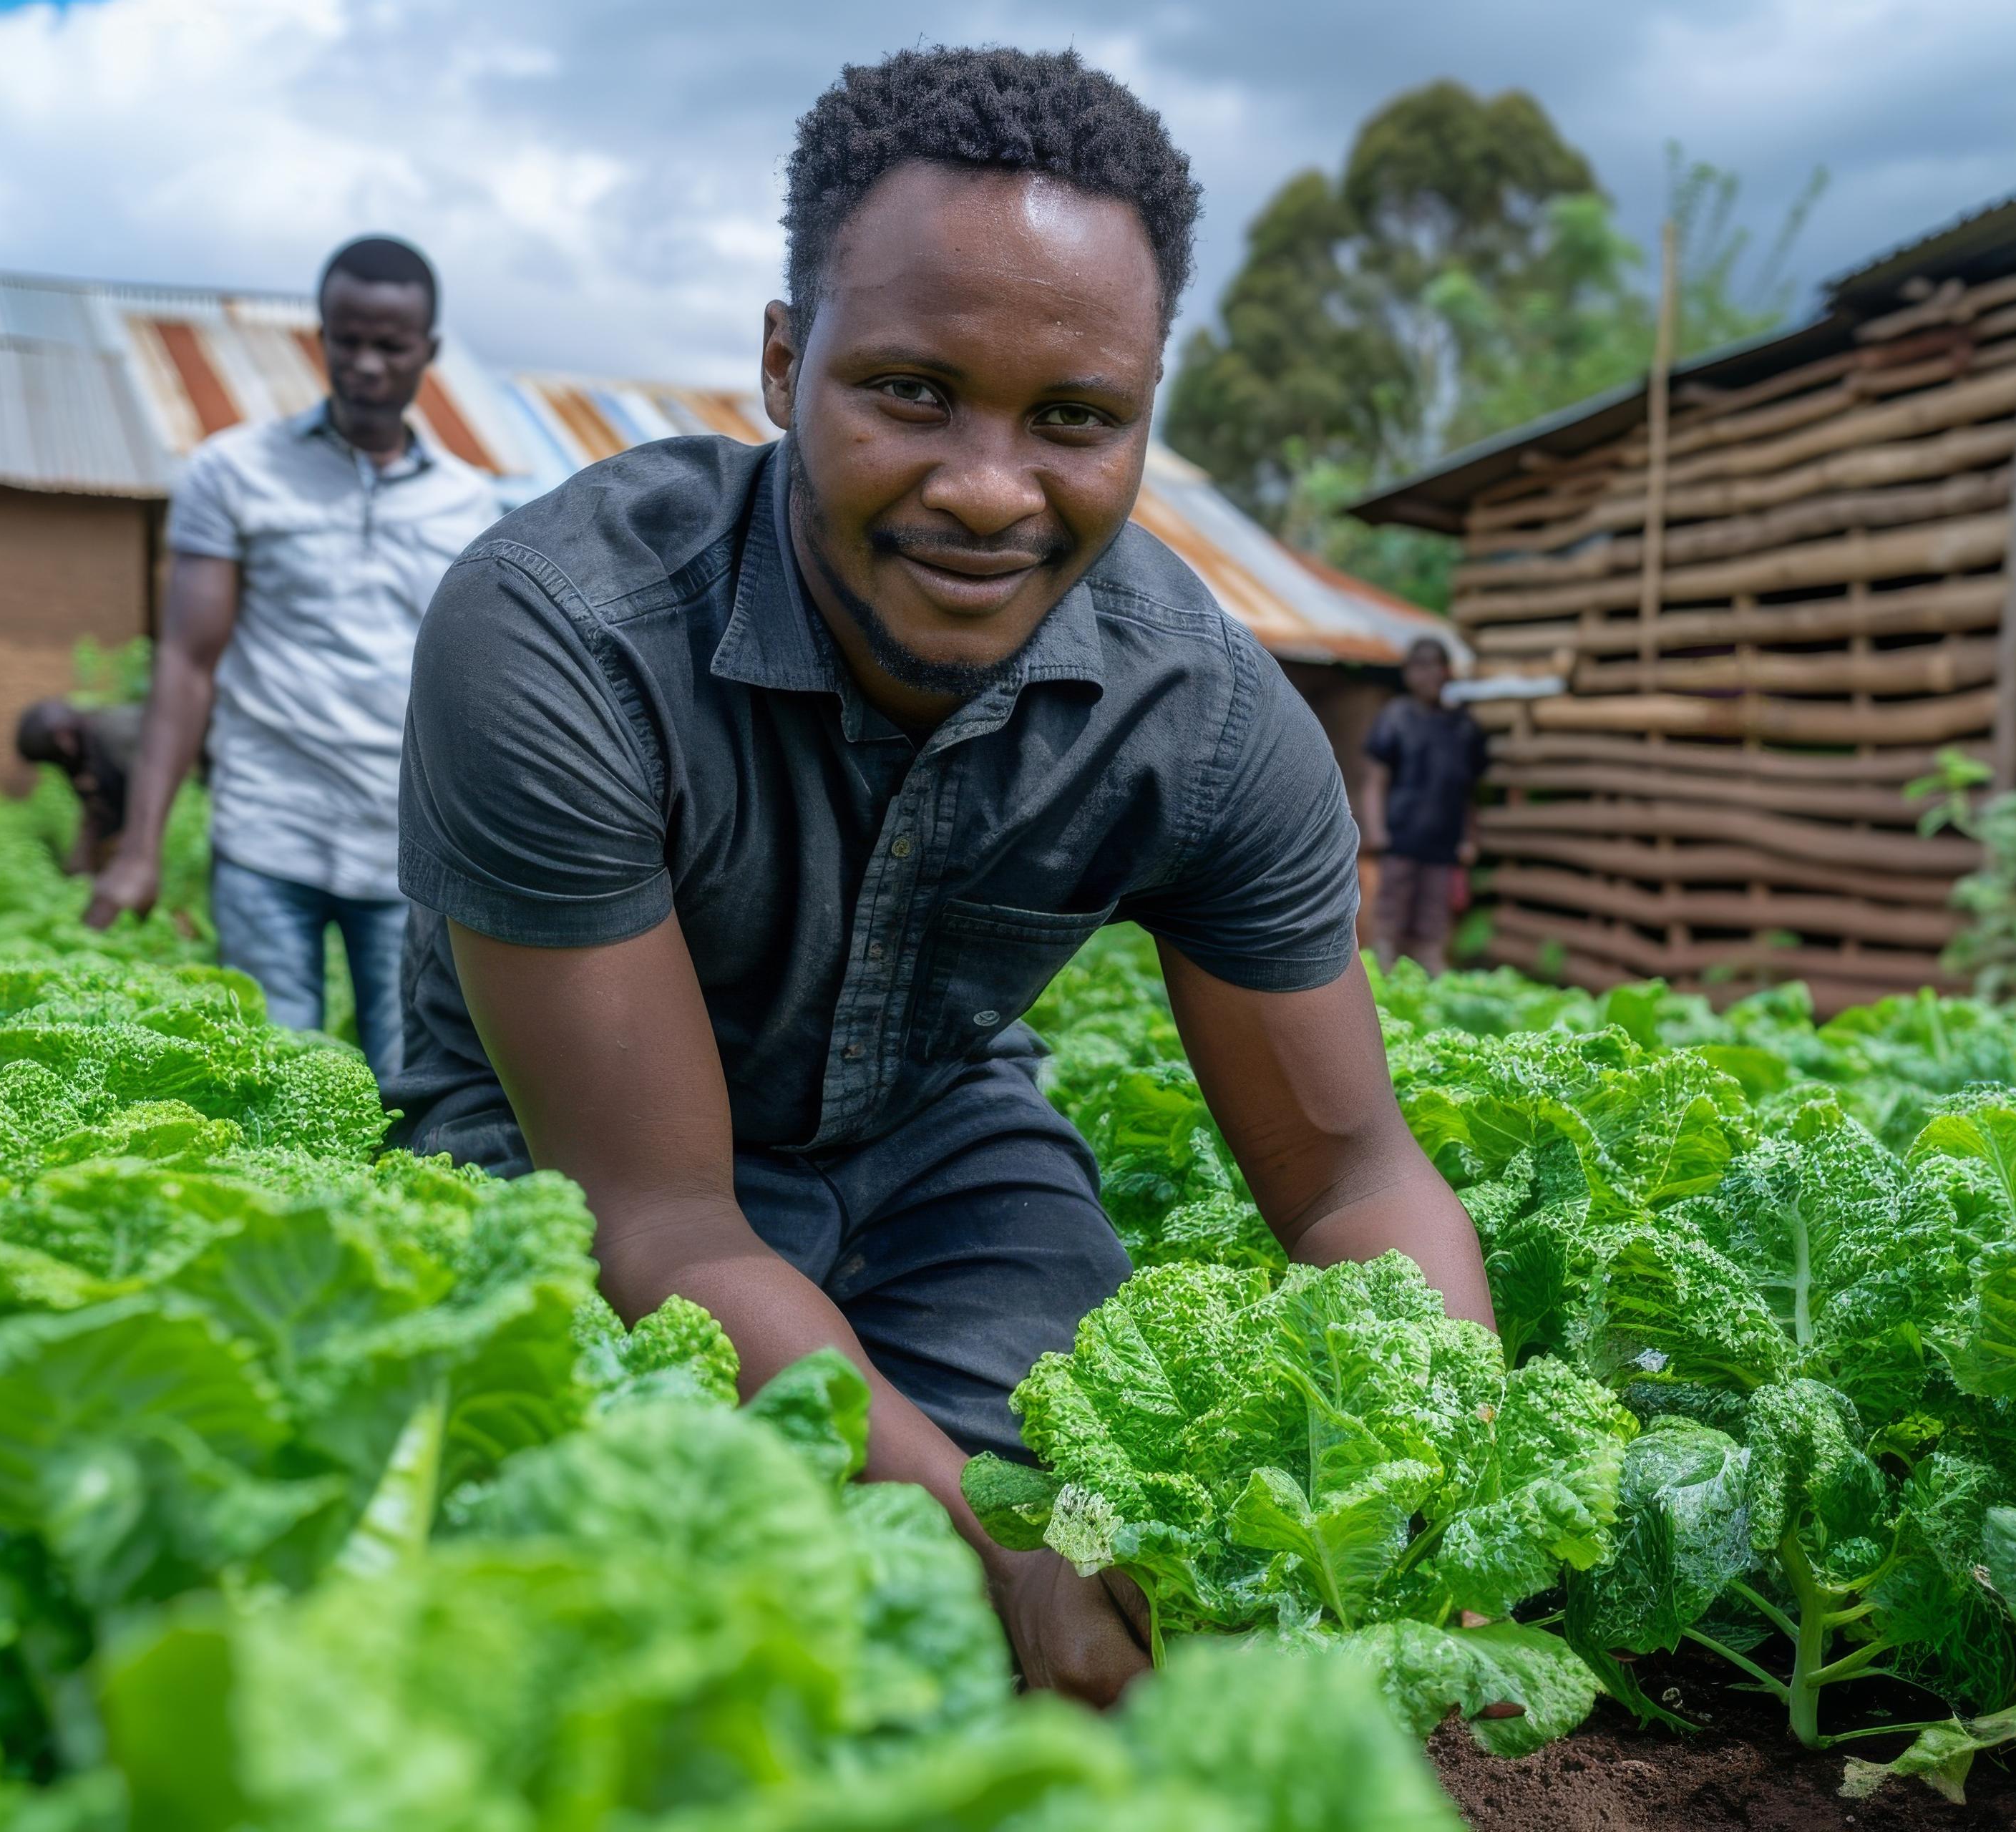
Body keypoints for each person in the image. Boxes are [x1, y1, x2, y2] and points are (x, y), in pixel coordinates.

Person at [389, 48, 1494, 1706]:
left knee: (1095, 1511)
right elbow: (666, 1218)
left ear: (1142, 417)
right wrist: (989, 1547)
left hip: (935, 1142)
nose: (988, 488)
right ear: (783, 360)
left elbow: (1353, 1181)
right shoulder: (561, 635)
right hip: (562, 1150)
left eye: (1072, 420)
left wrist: (1440, 1479)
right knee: (681, 1584)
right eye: (910, 390)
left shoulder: (1199, 717)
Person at [84, 235, 500, 1083]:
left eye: (391, 345)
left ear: (431, 352)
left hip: (407, 850)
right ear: (320, 338)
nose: (366, 364)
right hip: (268, 830)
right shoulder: (235, 473)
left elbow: (479, 692)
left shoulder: (472, 503)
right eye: (346, 339)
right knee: (272, 1084)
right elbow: (187, 664)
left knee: (408, 1086)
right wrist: (140, 846)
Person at [1358, 637, 1489, 975]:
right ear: (1407, 673)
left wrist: (1469, 838)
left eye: (1435, 665)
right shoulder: (1395, 718)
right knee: (1391, 921)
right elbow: (1375, 781)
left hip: (1443, 846)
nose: (1428, 674)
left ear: (1448, 672)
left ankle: (1429, 988)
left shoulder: (1463, 728)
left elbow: (1468, 792)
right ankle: (1385, 985)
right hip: (1400, 840)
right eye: (1420, 666)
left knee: (1433, 924)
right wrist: (1376, 832)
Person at [16, 697, 145, 874]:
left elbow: (144, 802)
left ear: (65, 740)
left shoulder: (115, 736)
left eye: (56, 760)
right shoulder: (82, 751)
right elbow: (96, 811)